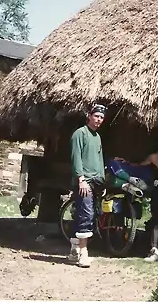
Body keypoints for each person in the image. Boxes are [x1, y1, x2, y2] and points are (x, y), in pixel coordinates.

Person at [117, 131, 158, 262]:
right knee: (156, 218)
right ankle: (154, 250)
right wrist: (125, 162)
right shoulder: (154, 157)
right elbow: (138, 166)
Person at [67, 104, 107, 268]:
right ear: (89, 116)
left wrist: (102, 181)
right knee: (86, 215)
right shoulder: (80, 134)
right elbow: (76, 157)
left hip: (95, 181)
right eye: (96, 116)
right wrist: (81, 179)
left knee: (84, 215)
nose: (99, 120)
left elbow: (100, 160)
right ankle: (84, 254)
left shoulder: (97, 137)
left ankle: (74, 251)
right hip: (84, 181)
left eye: (101, 117)